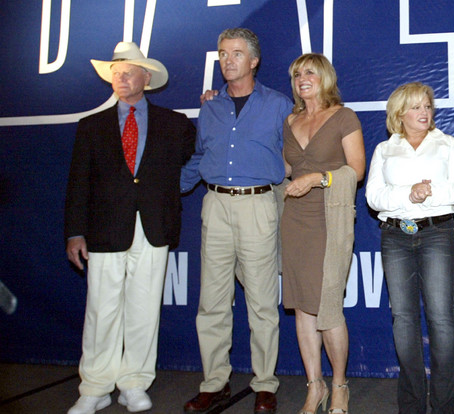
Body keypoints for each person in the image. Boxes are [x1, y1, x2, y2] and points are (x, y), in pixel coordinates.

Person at [64, 41, 196, 414]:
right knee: (101, 309)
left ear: (147, 77)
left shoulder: (175, 125)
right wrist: (75, 231)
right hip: (104, 230)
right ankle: (95, 386)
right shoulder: (91, 127)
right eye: (115, 73)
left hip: (153, 228)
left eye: (128, 71)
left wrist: (212, 104)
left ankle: (135, 382)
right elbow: (78, 182)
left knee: (143, 309)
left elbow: (198, 157)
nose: (121, 77)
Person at [180, 28, 292, 414]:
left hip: (258, 204)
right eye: (223, 53)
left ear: (254, 61)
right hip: (215, 206)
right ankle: (215, 383)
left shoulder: (279, 105)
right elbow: (200, 158)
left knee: (261, 301)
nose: (228, 60)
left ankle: (264, 384)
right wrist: (164, 190)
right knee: (212, 301)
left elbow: (295, 156)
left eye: (237, 53)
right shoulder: (209, 107)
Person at [366, 82, 454, 414]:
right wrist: (406, 195)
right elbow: (373, 196)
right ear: (399, 114)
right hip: (395, 235)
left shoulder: (447, 144)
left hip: (437, 233)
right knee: (403, 319)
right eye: (415, 107)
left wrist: (428, 193)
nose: (424, 112)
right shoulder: (385, 149)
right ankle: (411, 404)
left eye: (427, 105)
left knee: (441, 318)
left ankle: (442, 405)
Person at [282, 53, 365, 414]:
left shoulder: (344, 116)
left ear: (325, 78)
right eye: (297, 74)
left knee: (328, 306)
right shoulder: (289, 120)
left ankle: (339, 385)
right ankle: (314, 386)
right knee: (303, 307)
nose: (303, 78)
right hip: (295, 220)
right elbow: (287, 170)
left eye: (310, 73)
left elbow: (357, 170)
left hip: (329, 219)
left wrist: (319, 178)